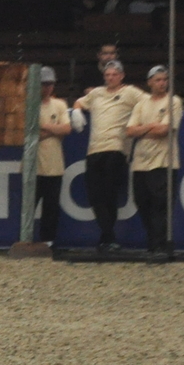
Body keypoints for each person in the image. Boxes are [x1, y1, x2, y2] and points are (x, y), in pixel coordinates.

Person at [74, 58, 146, 253]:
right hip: (94, 149)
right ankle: (107, 235)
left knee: (109, 194)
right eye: (107, 75)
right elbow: (80, 101)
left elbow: (148, 103)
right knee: (95, 196)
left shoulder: (130, 92)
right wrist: (77, 112)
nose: (111, 78)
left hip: (116, 148)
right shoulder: (97, 93)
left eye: (114, 75)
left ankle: (108, 236)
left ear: (122, 76)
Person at [127, 65, 182, 260]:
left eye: (164, 80)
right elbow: (129, 131)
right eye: (157, 80)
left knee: (160, 204)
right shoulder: (141, 104)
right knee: (142, 202)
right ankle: (152, 241)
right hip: (141, 162)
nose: (161, 83)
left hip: (162, 161)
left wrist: (143, 129)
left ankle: (160, 244)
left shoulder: (173, 102)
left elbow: (164, 130)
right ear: (149, 82)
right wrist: (151, 125)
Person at [33, 66, 74, 247]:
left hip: (54, 164)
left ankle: (48, 240)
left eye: (50, 84)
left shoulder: (60, 105)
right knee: (29, 205)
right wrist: (54, 129)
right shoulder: (29, 105)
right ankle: (25, 239)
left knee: (51, 206)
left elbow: (66, 128)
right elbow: (30, 134)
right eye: (43, 84)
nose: (47, 87)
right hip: (33, 165)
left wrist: (45, 127)